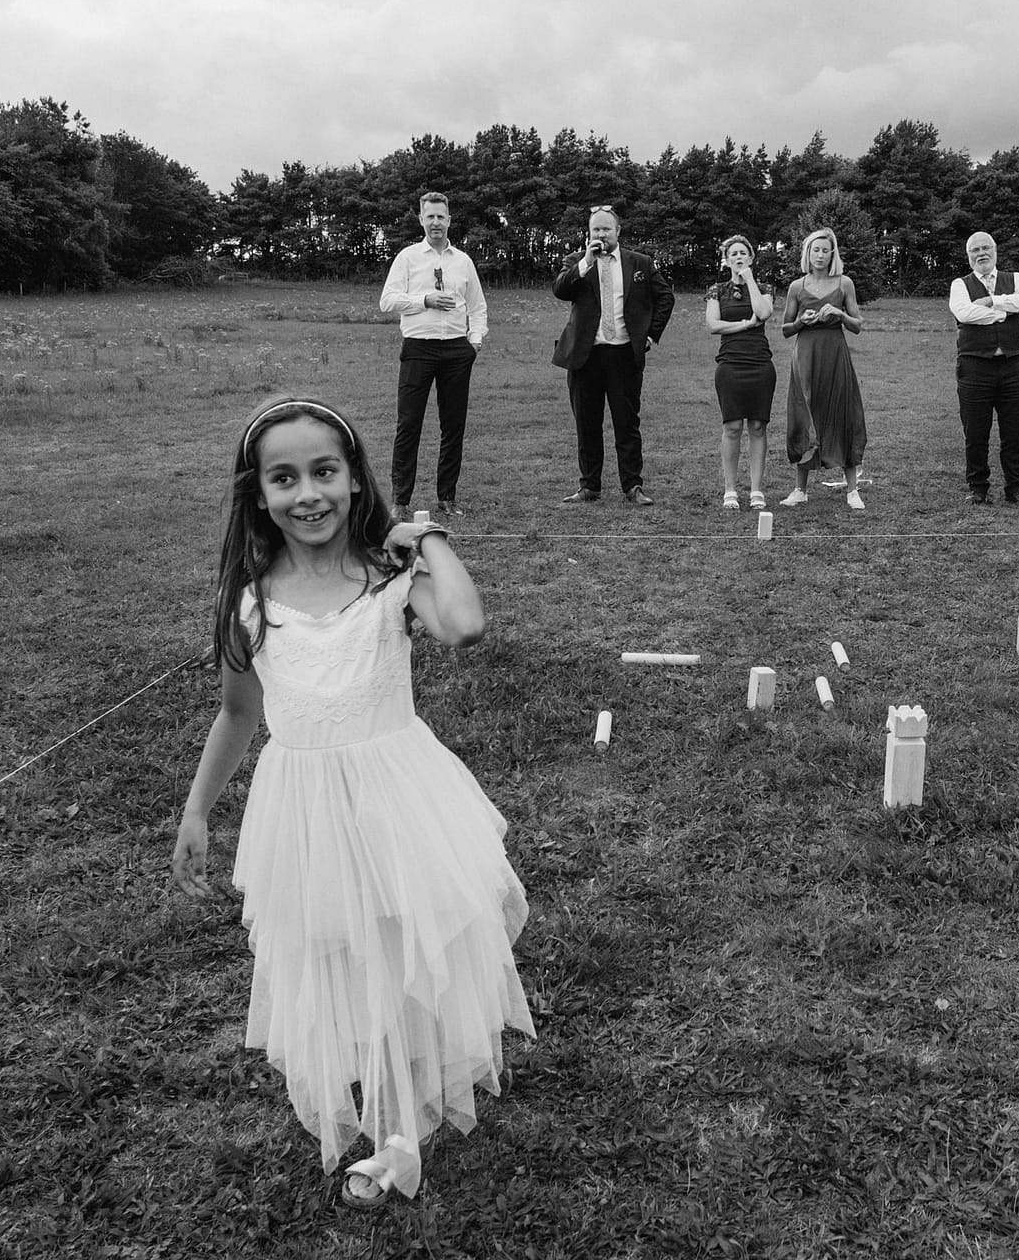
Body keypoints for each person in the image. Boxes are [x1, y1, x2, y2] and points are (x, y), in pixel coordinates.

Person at [171, 397, 533, 1210]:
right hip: (303, 809)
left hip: (396, 794)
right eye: (285, 477)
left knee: (402, 948)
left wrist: (426, 536)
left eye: (325, 471)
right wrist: (198, 811)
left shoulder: (390, 582)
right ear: (257, 493)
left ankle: (400, 1133)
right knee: (333, 950)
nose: (309, 494)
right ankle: (379, 1093)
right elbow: (238, 713)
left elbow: (467, 626)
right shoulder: (249, 600)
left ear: (354, 477)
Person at [551, 206, 675, 505]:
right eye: (596, 230)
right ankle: (589, 486)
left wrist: (649, 335)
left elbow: (665, 297)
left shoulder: (640, 262)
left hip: (623, 355)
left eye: (607, 229)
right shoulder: (576, 261)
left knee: (627, 423)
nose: (601, 234)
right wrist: (585, 263)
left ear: (618, 232)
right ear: (589, 234)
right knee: (587, 424)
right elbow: (560, 290)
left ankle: (633, 486)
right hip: (586, 357)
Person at [378, 192, 488, 520]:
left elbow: (478, 307)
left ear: (450, 220)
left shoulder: (463, 261)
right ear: (421, 220)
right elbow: (388, 301)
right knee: (409, 423)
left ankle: (447, 497)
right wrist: (424, 300)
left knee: (453, 426)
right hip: (418, 349)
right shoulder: (408, 258)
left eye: (441, 217)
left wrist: (475, 340)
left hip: (456, 350)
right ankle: (400, 500)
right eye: (430, 217)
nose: (436, 222)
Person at [779, 228, 868, 510]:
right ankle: (800, 489)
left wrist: (840, 313)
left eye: (825, 250)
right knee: (805, 415)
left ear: (832, 254)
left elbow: (857, 325)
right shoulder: (796, 286)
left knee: (844, 414)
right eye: (815, 250)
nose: (820, 255)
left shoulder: (844, 284)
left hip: (835, 355)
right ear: (808, 253)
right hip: (806, 357)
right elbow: (785, 329)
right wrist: (802, 321)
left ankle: (852, 490)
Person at [948, 231, 1019, 506]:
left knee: (1014, 432)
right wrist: (1005, 310)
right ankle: (977, 488)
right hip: (974, 368)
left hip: (1011, 367)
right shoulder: (960, 284)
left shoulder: (1016, 279)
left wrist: (991, 301)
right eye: (975, 250)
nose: (981, 253)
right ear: (969, 256)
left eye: (985, 248)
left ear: (995, 251)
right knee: (975, 432)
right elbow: (964, 314)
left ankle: (1015, 489)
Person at [704, 234, 777, 510]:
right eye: (732, 254)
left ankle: (757, 490)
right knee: (732, 427)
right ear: (726, 260)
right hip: (730, 365)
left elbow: (764, 312)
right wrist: (745, 325)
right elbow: (713, 325)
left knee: (758, 426)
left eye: (742, 253)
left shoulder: (764, 286)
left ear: (751, 258)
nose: (738, 257)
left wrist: (749, 280)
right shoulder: (717, 290)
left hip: (760, 364)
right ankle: (730, 490)